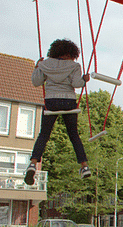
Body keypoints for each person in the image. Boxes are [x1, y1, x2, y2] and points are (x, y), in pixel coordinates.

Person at [25, 39, 91, 185]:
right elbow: (76, 84)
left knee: (44, 134)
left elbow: (36, 82)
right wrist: (84, 79)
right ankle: (84, 166)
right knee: (74, 135)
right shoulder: (74, 66)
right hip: (68, 101)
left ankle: (33, 164)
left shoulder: (45, 64)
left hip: (51, 101)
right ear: (70, 53)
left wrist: (37, 66)